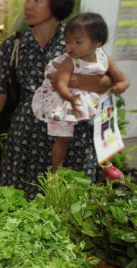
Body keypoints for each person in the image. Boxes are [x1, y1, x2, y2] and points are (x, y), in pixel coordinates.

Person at [0, 0, 114, 200]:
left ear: (57, 3)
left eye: (37, 0)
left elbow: (107, 81)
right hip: (25, 137)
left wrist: (69, 81)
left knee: (64, 202)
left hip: (70, 135)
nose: (28, 5)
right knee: (18, 203)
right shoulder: (14, 44)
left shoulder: (77, 40)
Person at [31, 12, 129, 176]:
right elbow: (60, 83)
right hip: (67, 102)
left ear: (97, 42)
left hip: (93, 102)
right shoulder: (69, 61)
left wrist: (120, 86)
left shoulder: (104, 58)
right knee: (63, 137)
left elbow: (123, 79)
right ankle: (56, 170)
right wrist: (70, 97)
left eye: (78, 42)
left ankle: (106, 163)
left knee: (102, 129)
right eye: (68, 41)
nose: (71, 47)